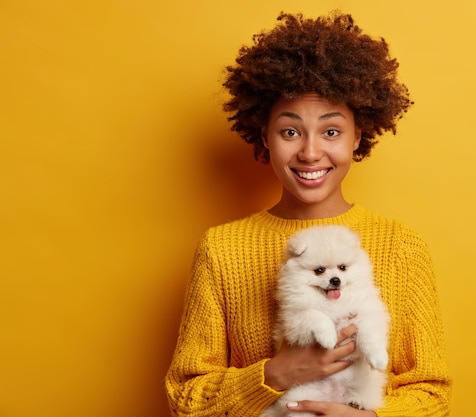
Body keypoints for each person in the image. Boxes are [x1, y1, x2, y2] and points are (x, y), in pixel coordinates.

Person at [165, 11, 451, 417]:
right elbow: (185, 399)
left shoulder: (401, 246)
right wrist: (277, 374)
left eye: (331, 131)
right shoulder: (221, 249)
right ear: (265, 136)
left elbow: (432, 392)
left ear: (359, 136)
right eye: (290, 131)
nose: (311, 152)